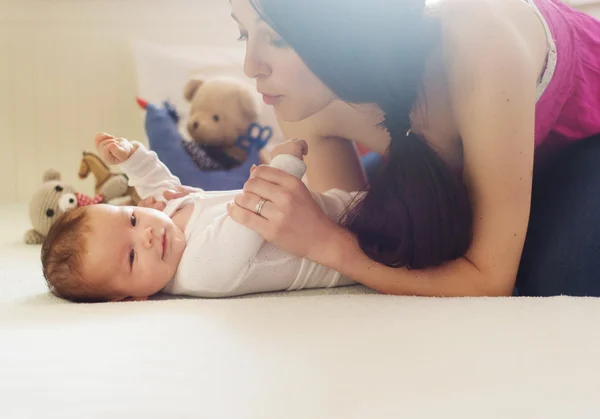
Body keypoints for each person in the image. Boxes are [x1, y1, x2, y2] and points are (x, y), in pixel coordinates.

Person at [162, 0, 600, 297]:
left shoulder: (480, 40)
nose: (250, 67)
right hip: (468, 169)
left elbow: (489, 280)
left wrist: (325, 241)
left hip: (580, 144)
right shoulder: (299, 104)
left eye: (276, 38)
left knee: (558, 274)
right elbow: (363, 254)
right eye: (243, 36)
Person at [41, 134, 356, 303]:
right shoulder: (199, 270)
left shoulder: (161, 220)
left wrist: (132, 160)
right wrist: (284, 163)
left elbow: (160, 187)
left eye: (133, 220)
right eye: (132, 256)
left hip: (337, 206)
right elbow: (254, 214)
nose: (145, 235)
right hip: (354, 243)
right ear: (128, 297)